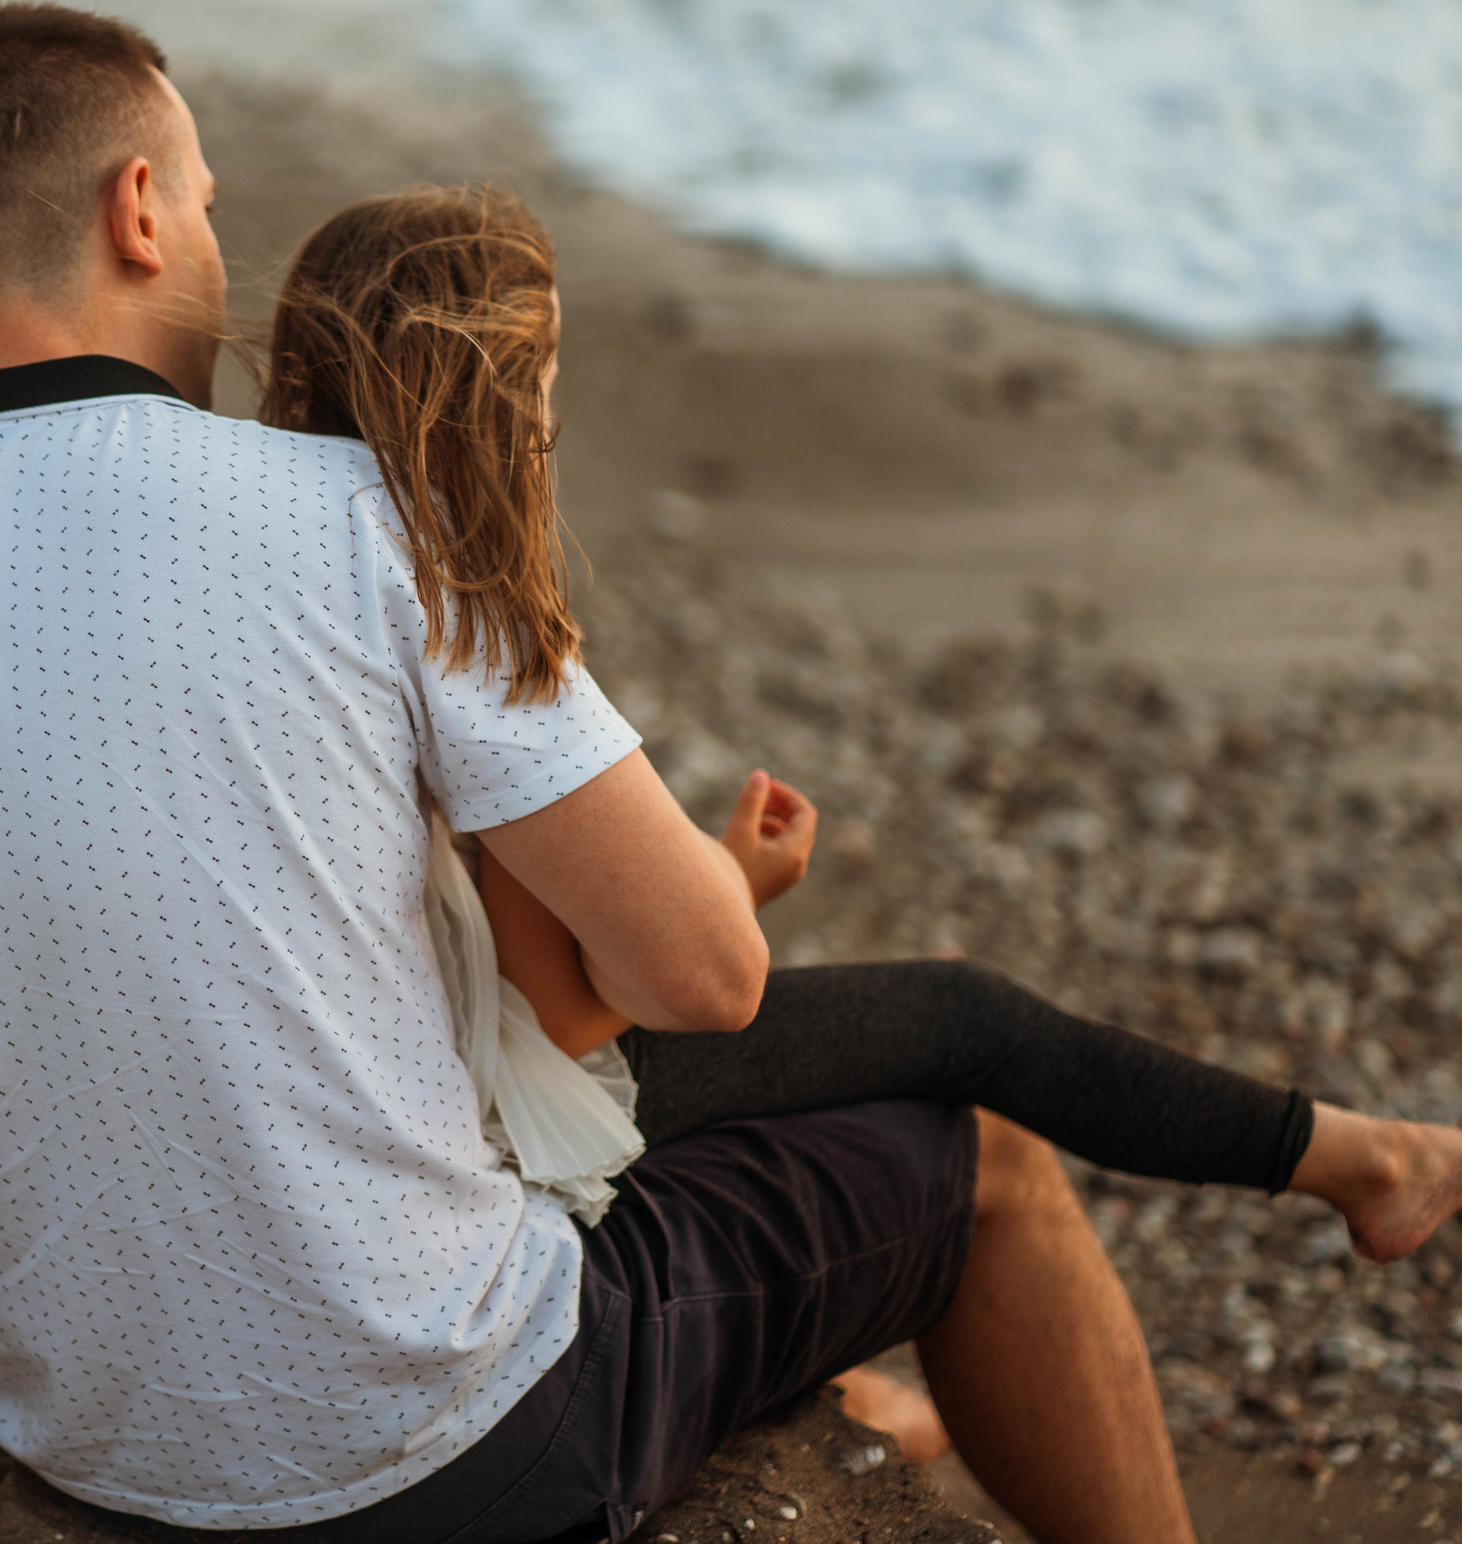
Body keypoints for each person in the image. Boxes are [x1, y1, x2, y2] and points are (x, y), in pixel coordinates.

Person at [0, 0, 1185, 1543]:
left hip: (96, 1453)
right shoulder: (357, 513)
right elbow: (705, 970)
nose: (213, 256)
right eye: (205, 208)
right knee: (978, 1164)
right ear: (136, 208)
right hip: (458, 1441)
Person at [256, 182, 1462, 1463]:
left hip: (365, 1089)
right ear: (496, 401)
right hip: (477, 1127)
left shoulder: (282, 587)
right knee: (961, 1020)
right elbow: (552, 1022)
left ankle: (860, 1384)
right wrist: (731, 883)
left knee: (899, 1051)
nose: (556, 411)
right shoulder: (459, 620)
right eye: (546, 374)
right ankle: (1361, 1164)